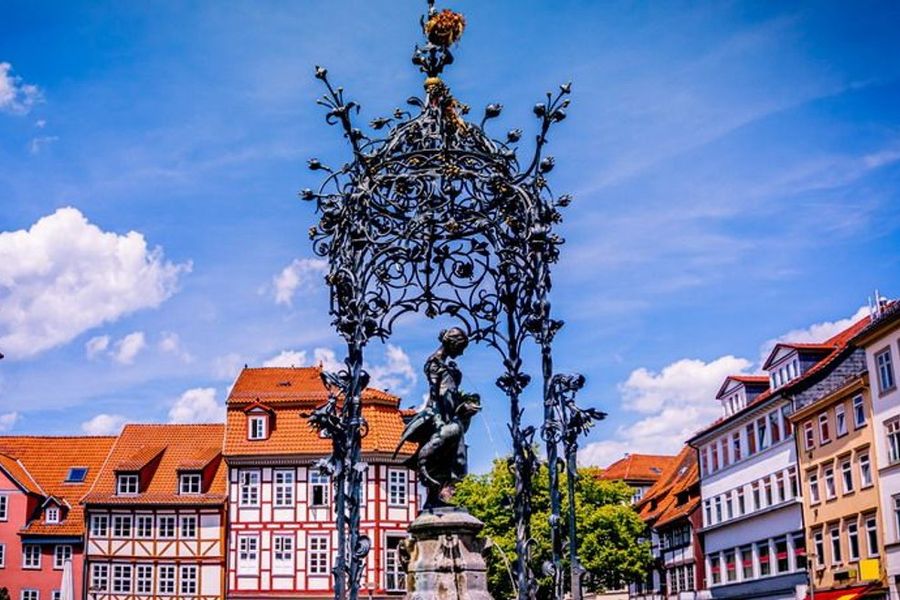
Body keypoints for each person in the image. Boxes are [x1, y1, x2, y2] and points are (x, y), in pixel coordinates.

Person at [394, 327, 480, 508]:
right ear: (453, 344)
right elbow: (434, 395)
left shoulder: (447, 366)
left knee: (448, 460)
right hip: (439, 417)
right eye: (461, 348)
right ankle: (432, 496)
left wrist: (463, 406)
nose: (462, 353)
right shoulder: (435, 362)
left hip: (450, 416)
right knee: (439, 457)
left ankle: (435, 498)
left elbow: (450, 394)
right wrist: (438, 421)